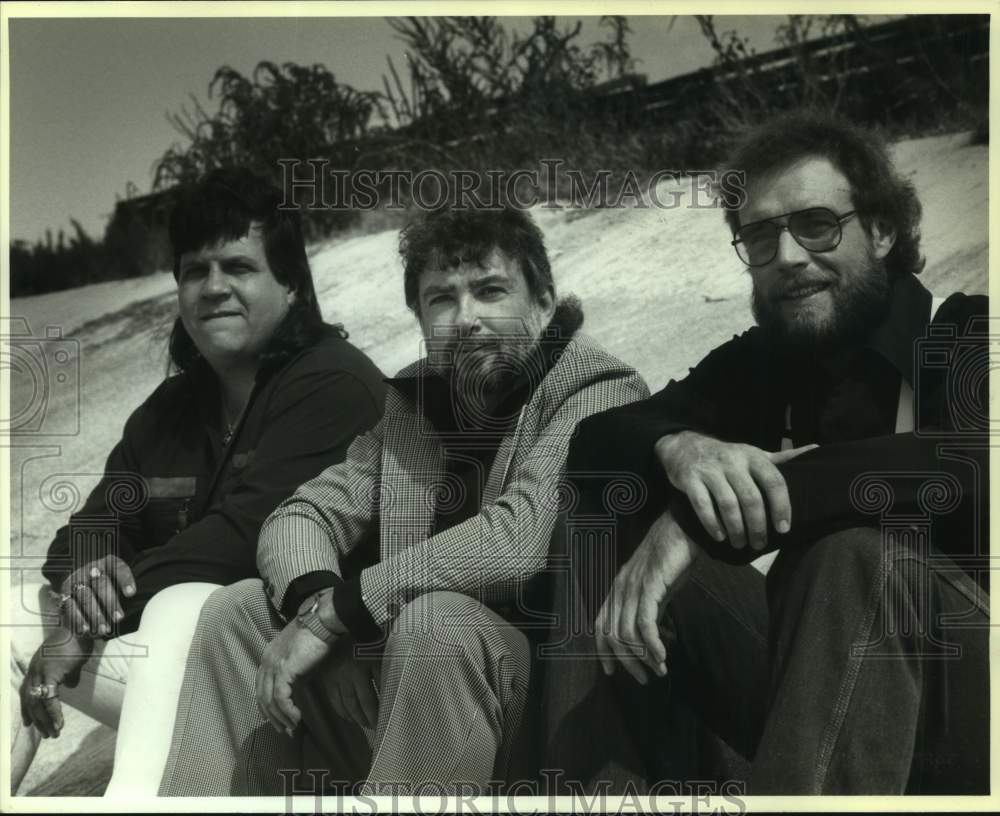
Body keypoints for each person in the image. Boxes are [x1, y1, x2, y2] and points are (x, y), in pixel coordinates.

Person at [546, 111, 989, 794]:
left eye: (817, 224)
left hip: (970, 708)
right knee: (606, 523)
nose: (787, 256)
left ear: (881, 229)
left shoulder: (966, 333)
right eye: (760, 236)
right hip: (833, 699)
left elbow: (966, 468)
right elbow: (597, 443)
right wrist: (682, 449)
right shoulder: (763, 368)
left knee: (852, 553)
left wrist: (695, 522)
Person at [155, 205, 649, 796]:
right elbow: (301, 515)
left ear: (543, 301)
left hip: (555, 716)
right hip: (415, 704)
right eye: (441, 299)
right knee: (235, 613)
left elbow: (518, 540)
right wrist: (319, 612)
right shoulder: (415, 404)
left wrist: (347, 610)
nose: (466, 320)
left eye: (490, 291)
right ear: (419, 316)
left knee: (436, 622)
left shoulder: (594, 385)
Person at [11, 167, 386, 796]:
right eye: (194, 271)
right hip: (192, 679)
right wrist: (87, 572)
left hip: (314, 690)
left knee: (189, 602)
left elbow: (241, 541)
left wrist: (84, 623)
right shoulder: (171, 408)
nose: (213, 288)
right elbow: (91, 526)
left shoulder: (335, 385)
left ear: (291, 283)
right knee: (7, 607)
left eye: (238, 267)